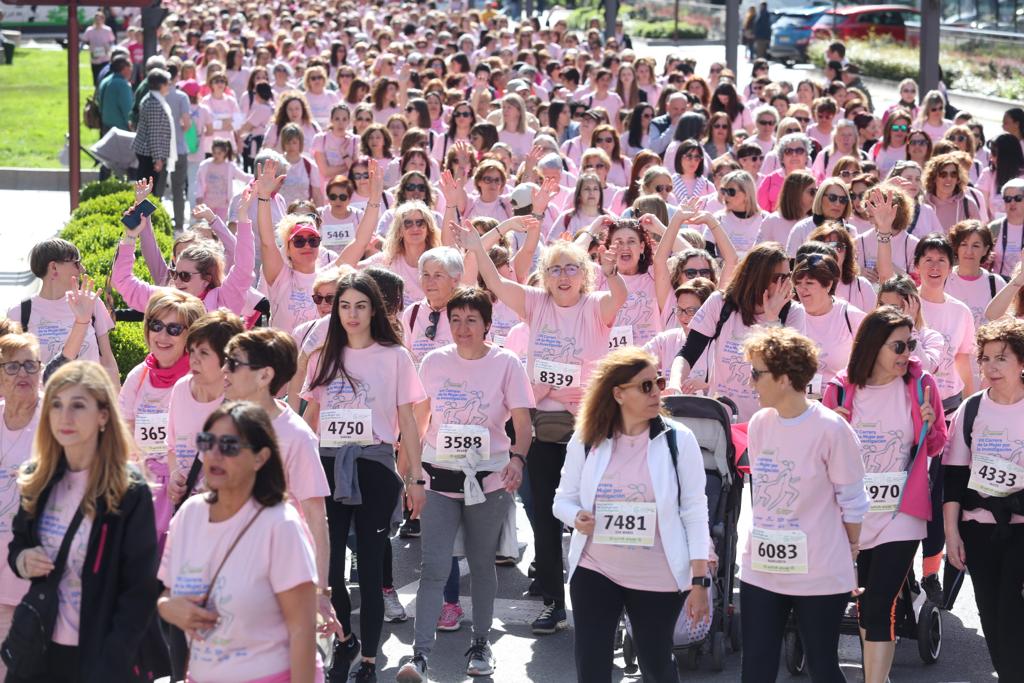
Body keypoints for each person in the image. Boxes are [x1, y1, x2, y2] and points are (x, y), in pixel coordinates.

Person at [454, 222, 626, 635]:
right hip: (543, 426)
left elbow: (618, 297)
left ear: (584, 275)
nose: (563, 276)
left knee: (596, 516)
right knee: (547, 518)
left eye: (571, 269)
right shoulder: (535, 303)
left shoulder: (595, 304)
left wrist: (612, 271)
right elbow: (493, 281)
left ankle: (612, 606)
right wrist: (479, 244)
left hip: (591, 426)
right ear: (544, 277)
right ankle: (553, 601)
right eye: (555, 269)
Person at [396, 288, 534, 681]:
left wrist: (517, 460)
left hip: (487, 481)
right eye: (455, 320)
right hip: (438, 478)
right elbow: (417, 424)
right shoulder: (433, 362)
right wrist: (411, 477)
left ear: (488, 325)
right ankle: (419, 654)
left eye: (472, 320)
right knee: (434, 566)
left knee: (481, 564)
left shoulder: (507, 363)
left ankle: (480, 642)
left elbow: (523, 426)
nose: (462, 328)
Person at [553, 347, 710, 683]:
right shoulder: (586, 438)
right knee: (592, 668)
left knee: (657, 666)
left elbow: (695, 512)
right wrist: (576, 515)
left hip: (659, 576)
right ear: (618, 393)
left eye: (659, 382)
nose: (657, 392)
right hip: (595, 569)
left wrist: (700, 581)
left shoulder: (679, 440)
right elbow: (562, 500)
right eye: (646, 386)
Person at [301, 272, 426, 682]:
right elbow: (309, 417)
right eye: (344, 306)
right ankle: (345, 641)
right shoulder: (323, 355)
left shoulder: (395, 356)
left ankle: (370, 661)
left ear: (374, 309)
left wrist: (415, 477)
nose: (351, 314)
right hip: (327, 466)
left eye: (360, 305)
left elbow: (408, 419)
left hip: (374, 468)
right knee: (332, 568)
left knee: (370, 572)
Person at [7, 361, 160, 681]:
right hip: (41, 651)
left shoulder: (128, 491)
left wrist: (110, 665)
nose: (65, 417)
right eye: (56, 405)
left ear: (103, 415)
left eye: (78, 405)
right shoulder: (39, 478)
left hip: (101, 657)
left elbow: (140, 592)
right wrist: (22, 559)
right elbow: (19, 542)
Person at [823, 307, 947, 683]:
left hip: (901, 513)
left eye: (911, 344)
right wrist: (835, 427)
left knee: (880, 601)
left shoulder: (921, 384)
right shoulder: (841, 388)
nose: (907, 353)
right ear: (874, 345)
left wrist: (929, 425)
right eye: (899, 345)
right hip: (855, 515)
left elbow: (938, 444)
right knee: (866, 604)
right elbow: (820, 452)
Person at [739, 327, 869, 683]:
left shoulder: (831, 429)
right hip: (762, 568)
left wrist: (851, 548)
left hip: (819, 572)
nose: (751, 383)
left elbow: (853, 502)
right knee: (755, 669)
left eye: (756, 373)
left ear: (783, 378)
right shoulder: (760, 423)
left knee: (822, 666)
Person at [157, 401, 320, 683]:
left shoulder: (281, 524)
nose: (215, 454)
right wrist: (170, 608)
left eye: (229, 445)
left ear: (260, 457)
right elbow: (168, 595)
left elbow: (302, 631)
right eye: (208, 442)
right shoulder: (189, 514)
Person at [943, 317, 1024, 682]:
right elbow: (954, 477)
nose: (990, 367)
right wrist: (951, 534)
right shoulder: (971, 409)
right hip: (978, 529)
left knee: (1011, 611)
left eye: (1001, 358)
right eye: (985, 358)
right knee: (990, 614)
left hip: (1021, 530)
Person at [670, 244, 807, 421]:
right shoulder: (721, 303)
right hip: (724, 420)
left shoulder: (793, 313)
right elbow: (688, 352)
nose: (786, 284)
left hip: (770, 420)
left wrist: (772, 320)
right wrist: (675, 383)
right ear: (758, 278)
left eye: (788, 276)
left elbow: (788, 371)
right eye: (778, 278)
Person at [117, 290, 204, 536]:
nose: (163, 336)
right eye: (156, 325)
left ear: (191, 335)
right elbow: (124, 431)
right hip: (144, 486)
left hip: (188, 486)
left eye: (175, 329)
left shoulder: (199, 379)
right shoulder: (138, 375)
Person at [9, 238, 119, 388]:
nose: (82, 269)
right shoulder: (19, 313)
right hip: (44, 408)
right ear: (54, 268)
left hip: (92, 405)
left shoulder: (91, 303)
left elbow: (108, 362)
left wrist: (115, 407)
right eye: (76, 263)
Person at [0, 333, 43, 677]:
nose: (23, 373)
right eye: (12, 366)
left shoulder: (55, 419)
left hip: (31, 564)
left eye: (31, 364)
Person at [133, 69, 177, 197]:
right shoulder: (153, 103)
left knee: (149, 190)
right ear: (161, 85)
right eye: (167, 83)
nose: (169, 86)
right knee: (147, 192)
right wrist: (157, 159)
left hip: (150, 153)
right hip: (149, 155)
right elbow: (154, 133)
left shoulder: (155, 99)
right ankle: (145, 216)